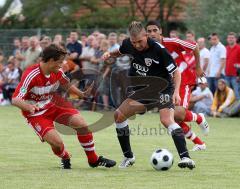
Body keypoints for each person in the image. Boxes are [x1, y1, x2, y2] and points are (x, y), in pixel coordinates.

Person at [102, 21, 196, 169]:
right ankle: (128, 157)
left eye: (140, 41)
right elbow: (120, 52)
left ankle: (186, 158)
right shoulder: (128, 44)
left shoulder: (159, 50)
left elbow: (176, 72)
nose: (137, 45)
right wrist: (109, 54)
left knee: (166, 120)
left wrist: (176, 92)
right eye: (134, 42)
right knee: (118, 116)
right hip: (143, 90)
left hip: (163, 88)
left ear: (146, 35)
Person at [12, 44, 116, 169]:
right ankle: (65, 156)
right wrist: (28, 107)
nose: (61, 65)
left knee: (81, 123)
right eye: (60, 62)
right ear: (50, 61)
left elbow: (66, 85)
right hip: (36, 113)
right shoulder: (31, 75)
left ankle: (93, 160)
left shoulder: (57, 71)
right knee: (57, 144)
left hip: (53, 104)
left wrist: (81, 94)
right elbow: (16, 99)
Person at [146, 20, 208, 152]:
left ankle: (198, 117)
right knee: (170, 118)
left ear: (160, 31)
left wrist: (198, 67)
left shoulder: (172, 42)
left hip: (184, 80)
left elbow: (195, 46)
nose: (152, 34)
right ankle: (199, 142)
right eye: (149, 31)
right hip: (167, 86)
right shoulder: (148, 49)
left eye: (155, 30)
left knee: (178, 113)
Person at [225, 32, 240, 100]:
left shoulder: (239, 48)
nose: (230, 39)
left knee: (237, 93)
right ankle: (229, 110)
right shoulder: (225, 48)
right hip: (226, 75)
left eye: (232, 38)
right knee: (228, 94)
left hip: (235, 76)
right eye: (229, 38)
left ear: (235, 39)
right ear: (227, 39)